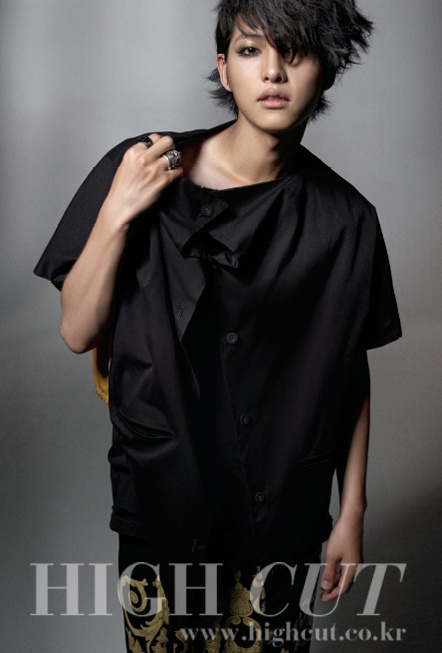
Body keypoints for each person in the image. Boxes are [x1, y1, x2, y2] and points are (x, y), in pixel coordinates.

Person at [34, 1, 402, 651]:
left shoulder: (347, 221)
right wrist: (118, 210)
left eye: (296, 52)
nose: (274, 72)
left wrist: (351, 511)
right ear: (225, 69)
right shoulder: (142, 165)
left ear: (327, 69)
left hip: (279, 509)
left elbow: (347, 368)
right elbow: (77, 330)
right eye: (252, 50)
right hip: (160, 499)